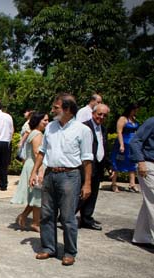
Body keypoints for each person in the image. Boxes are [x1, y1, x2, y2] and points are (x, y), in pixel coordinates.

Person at [30, 93, 93, 266]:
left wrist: (87, 184)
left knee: (67, 217)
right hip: (50, 175)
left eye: (56, 107)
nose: (52, 110)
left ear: (67, 109)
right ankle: (49, 248)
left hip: (70, 176)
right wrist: (34, 172)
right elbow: (42, 151)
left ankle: (69, 252)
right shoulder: (50, 127)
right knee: (47, 214)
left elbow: (87, 160)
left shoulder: (82, 130)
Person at [11, 112, 49, 232]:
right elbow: (37, 153)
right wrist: (40, 170)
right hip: (34, 166)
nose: (47, 123)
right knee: (37, 196)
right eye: (45, 120)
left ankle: (25, 217)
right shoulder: (37, 134)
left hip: (32, 165)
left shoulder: (35, 133)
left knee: (36, 196)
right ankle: (35, 222)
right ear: (38, 121)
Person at [79, 104, 111, 230]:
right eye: (99, 114)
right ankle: (67, 216)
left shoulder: (103, 129)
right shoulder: (84, 127)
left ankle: (87, 218)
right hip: (86, 165)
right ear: (93, 113)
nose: (101, 117)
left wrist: (109, 165)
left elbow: (104, 147)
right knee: (81, 193)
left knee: (93, 193)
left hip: (98, 164)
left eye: (104, 115)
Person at [130, 116, 154, 247]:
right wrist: (140, 162)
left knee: (149, 202)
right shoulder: (152, 122)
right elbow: (135, 141)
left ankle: (141, 236)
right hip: (148, 165)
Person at [110, 103, 140, 193]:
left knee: (132, 163)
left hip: (132, 145)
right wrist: (121, 144)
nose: (136, 112)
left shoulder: (134, 119)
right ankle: (114, 183)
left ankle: (132, 184)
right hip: (123, 144)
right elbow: (119, 132)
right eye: (134, 110)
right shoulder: (122, 119)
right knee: (118, 162)